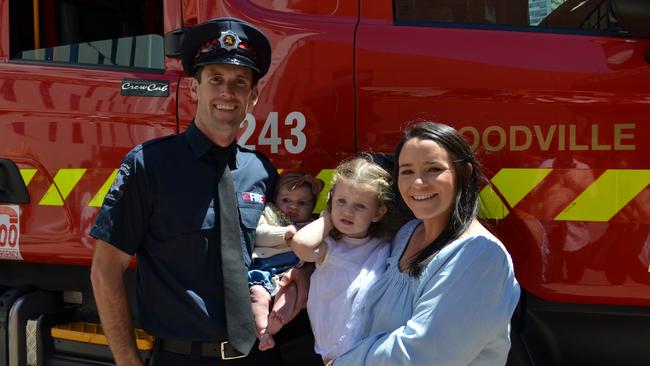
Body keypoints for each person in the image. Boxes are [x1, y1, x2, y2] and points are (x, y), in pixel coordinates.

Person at [89, 17, 310, 366]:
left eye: (240, 82)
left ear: (253, 97)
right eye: (216, 80)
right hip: (183, 357)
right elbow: (105, 269)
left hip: (258, 355)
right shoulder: (150, 166)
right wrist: (128, 361)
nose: (227, 92)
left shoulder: (261, 171)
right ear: (194, 89)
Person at [333, 122, 521, 365]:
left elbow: (421, 355)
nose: (418, 183)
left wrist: (344, 362)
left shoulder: (481, 257)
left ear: (465, 172)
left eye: (433, 169)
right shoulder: (406, 235)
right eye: (407, 171)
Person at [290, 155, 395, 363]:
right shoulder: (331, 247)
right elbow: (301, 246)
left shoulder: (384, 246)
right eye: (341, 202)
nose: (347, 211)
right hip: (331, 352)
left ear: (378, 213)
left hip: (365, 351)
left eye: (360, 206)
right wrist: (328, 218)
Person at [249, 172, 324, 351]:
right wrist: (284, 234)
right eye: (286, 200)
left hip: (289, 274)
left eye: (302, 203)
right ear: (275, 199)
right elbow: (257, 235)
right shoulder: (269, 214)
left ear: (312, 206)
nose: (293, 206)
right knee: (258, 294)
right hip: (264, 269)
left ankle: (278, 319)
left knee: (289, 294)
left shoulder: (310, 226)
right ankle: (262, 331)